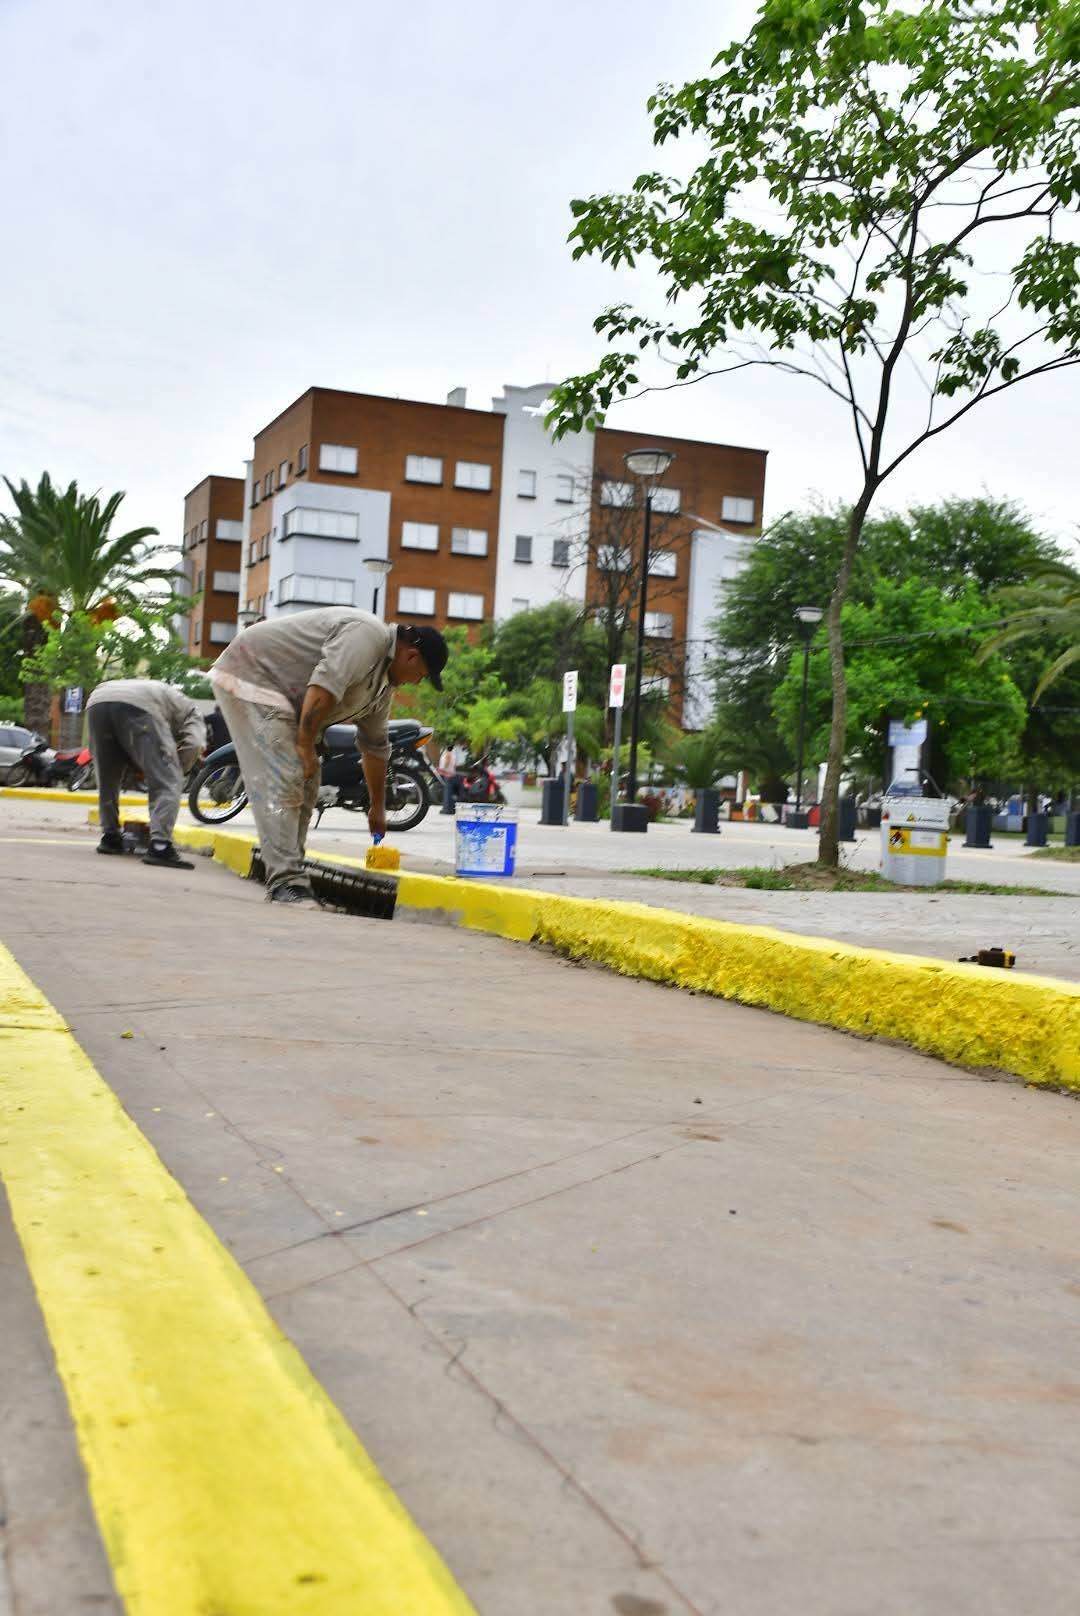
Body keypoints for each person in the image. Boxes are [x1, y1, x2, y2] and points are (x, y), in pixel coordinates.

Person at [210, 609, 448, 905]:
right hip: (252, 672)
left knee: (309, 784)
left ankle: (291, 872)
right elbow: (324, 687)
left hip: (288, 699)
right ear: (411, 656)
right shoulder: (366, 635)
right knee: (287, 775)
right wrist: (306, 745)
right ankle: (285, 881)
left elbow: (374, 746)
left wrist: (377, 808)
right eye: (421, 676)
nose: (416, 683)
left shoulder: (382, 686)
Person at [86, 679, 206, 868]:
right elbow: (195, 745)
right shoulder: (193, 712)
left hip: (97, 701)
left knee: (107, 778)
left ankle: (110, 837)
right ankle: (160, 847)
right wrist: (176, 769)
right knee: (169, 780)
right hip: (138, 704)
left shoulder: (167, 700)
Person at [438, 739, 460, 815]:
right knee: (450, 793)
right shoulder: (453, 752)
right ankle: (450, 809)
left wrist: (442, 769)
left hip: (447, 774)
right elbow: (455, 764)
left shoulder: (448, 752)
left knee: (447, 793)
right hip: (451, 773)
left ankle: (446, 809)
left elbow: (447, 761)